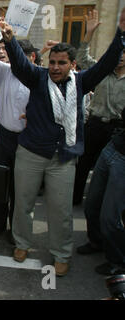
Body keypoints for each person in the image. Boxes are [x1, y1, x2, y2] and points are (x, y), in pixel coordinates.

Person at [0, 11, 125, 276]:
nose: (55, 67)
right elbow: (21, 65)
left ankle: (61, 253)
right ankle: (21, 243)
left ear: (72, 64)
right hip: (31, 154)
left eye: (62, 63)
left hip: (63, 158)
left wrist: (121, 34)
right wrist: (9, 41)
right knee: (23, 203)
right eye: (53, 62)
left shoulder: (82, 82)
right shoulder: (37, 77)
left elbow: (105, 65)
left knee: (61, 210)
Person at [0, 37, 35, 241]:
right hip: (4, 136)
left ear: (31, 57)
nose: (12, 60)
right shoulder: (6, 73)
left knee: (20, 189)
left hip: (27, 141)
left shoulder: (39, 78)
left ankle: (16, 231)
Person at [73, 9, 125, 205]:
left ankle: (100, 205)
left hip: (116, 129)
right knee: (83, 164)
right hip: (94, 125)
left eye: (123, 54)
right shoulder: (101, 73)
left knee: (108, 170)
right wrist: (89, 33)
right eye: (117, 54)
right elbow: (82, 58)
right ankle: (75, 198)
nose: (120, 57)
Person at [79, 107, 125, 276]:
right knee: (92, 205)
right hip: (113, 147)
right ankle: (97, 241)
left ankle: (118, 261)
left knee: (110, 217)